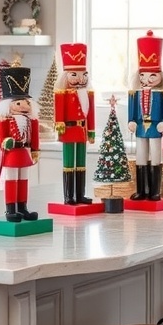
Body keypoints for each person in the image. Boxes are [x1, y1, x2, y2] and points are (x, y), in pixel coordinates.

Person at [127, 30, 163, 201]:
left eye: (153, 74)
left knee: (155, 156)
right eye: (143, 74)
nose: (148, 78)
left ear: (160, 75)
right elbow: (131, 111)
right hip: (140, 127)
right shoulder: (135, 93)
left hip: (155, 127)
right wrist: (131, 121)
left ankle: (155, 191)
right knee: (140, 156)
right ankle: (141, 190)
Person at [0, 60, 39, 222]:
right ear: (9, 105)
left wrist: (35, 150)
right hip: (12, 153)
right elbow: (0, 139)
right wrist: (6, 142)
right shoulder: (3, 120)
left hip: (25, 153)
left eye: (26, 102)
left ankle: (23, 208)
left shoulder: (31, 120)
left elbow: (34, 137)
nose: (23, 106)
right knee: (11, 179)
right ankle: (10, 209)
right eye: (18, 103)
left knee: (24, 180)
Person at [54, 43, 95, 205]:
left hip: (82, 130)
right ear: (66, 76)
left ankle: (80, 194)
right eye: (74, 74)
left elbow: (91, 114)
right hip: (69, 129)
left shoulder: (88, 93)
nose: (80, 78)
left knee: (82, 163)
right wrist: (59, 124)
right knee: (69, 163)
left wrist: (91, 131)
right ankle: (69, 196)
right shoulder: (62, 93)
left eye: (83, 74)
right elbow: (59, 110)